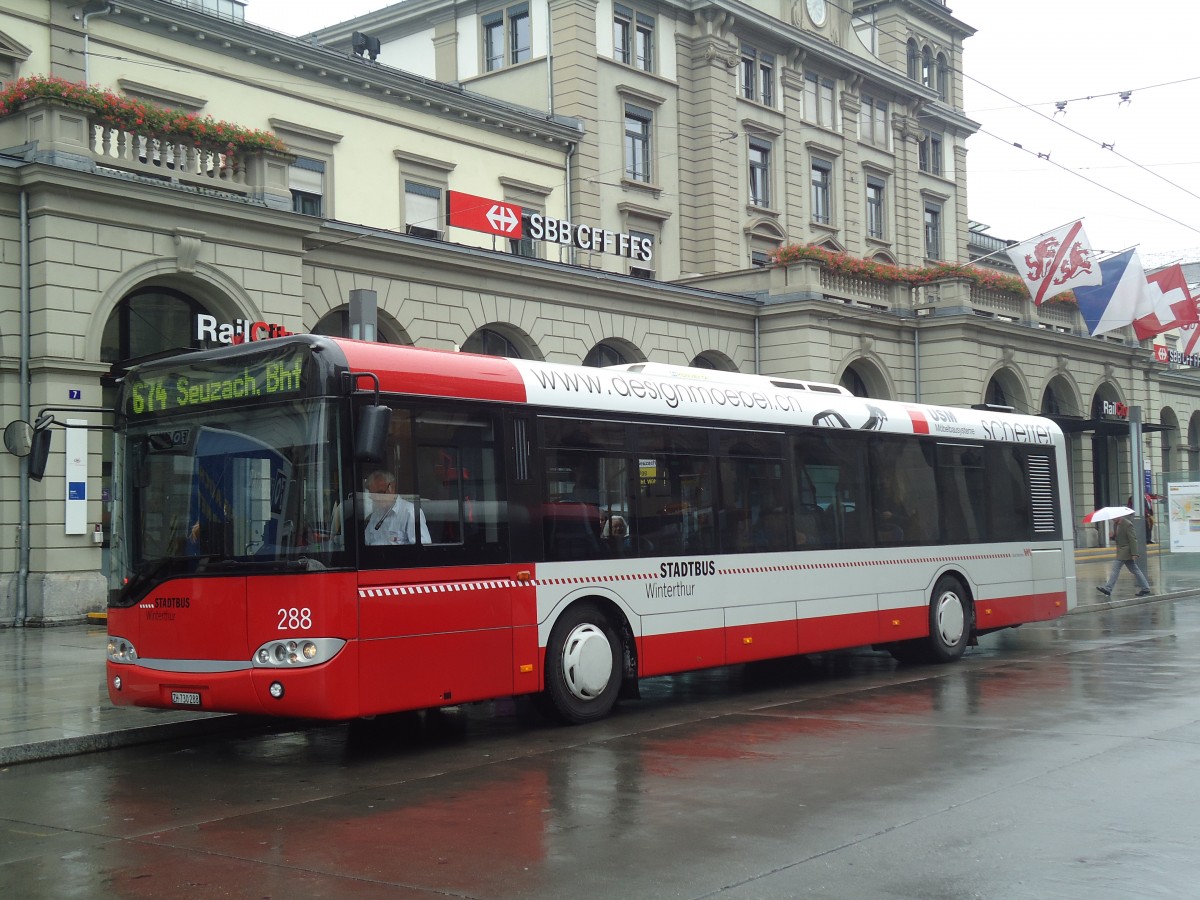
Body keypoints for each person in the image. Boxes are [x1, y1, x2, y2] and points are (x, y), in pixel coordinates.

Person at [364, 469, 431, 545]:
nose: (377, 498)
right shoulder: (376, 515)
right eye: (373, 495)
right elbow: (365, 542)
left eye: (380, 493)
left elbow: (423, 548)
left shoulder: (410, 512)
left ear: (392, 487)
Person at [1097, 512, 1151, 598]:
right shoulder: (1115, 524)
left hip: (1126, 550)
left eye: (1114, 517)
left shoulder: (1127, 524)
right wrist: (1112, 536)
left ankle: (1108, 589)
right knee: (1135, 570)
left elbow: (1133, 539)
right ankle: (1146, 588)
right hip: (1121, 550)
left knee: (1115, 569)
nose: (1112, 519)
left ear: (1119, 516)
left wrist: (1134, 553)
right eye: (1112, 517)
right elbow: (1119, 538)